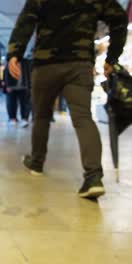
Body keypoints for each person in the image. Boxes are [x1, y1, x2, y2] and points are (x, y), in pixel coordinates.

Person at [7, 0, 128, 199]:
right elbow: (120, 18)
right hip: (79, 65)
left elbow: (26, 21)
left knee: (41, 116)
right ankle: (93, 176)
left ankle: (36, 163)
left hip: (46, 65)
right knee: (82, 118)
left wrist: (14, 53)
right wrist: (112, 57)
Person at [4, 59, 31, 128]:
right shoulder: (10, 61)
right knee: (11, 103)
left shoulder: (26, 62)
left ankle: (24, 119)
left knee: (25, 103)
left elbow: (29, 73)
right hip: (12, 86)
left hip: (24, 86)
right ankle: (12, 118)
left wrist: (29, 85)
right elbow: (6, 73)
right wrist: (7, 85)